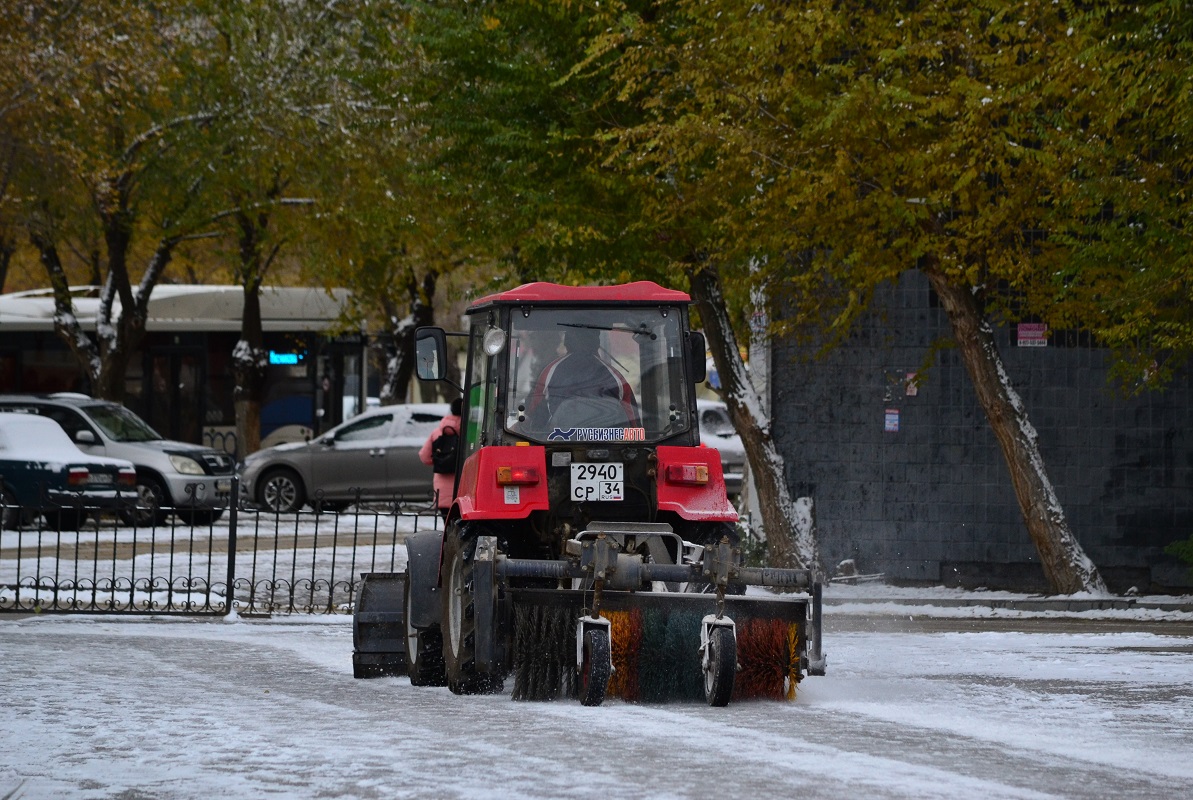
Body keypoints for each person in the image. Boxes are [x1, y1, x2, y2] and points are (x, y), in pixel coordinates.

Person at [526, 327, 638, 428]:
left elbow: (532, 411)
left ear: (567, 341)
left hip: (556, 444)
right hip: (610, 447)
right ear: (596, 342)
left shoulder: (550, 371)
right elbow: (633, 422)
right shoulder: (615, 376)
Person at [419, 397, 463, 519]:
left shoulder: (437, 432)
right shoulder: (469, 432)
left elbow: (424, 457)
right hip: (463, 488)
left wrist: (442, 460)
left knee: (447, 527)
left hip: (442, 489)